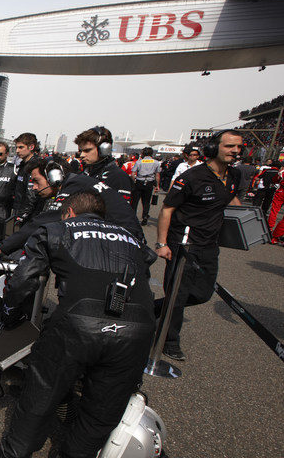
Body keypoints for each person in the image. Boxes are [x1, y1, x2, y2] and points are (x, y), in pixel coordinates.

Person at [0, 191, 156, 458]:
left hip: (78, 324)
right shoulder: (131, 238)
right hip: (137, 328)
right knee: (104, 406)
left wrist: (8, 311)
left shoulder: (57, 230)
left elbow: (24, 278)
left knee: (42, 391)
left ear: (70, 213)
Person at [154, 130, 243, 361]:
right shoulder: (192, 177)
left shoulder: (234, 176)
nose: (235, 151)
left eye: (238, 147)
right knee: (177, 293)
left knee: (203, 294)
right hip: (184, 244)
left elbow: (231, 200)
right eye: (229, 146)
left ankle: (153, 309)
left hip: (210, 245)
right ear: (214, 149)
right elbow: (167, 209)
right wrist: (162, 243)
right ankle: (168, 341)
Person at [0, 156, 144, 263]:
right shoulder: (78, 182)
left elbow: (39, 223)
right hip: (123, 242)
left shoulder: (71, 186)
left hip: (128, 246)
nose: (34, 187)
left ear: (54, 177)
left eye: (37, 181)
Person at [77, 126, 133, 204]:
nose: (82, 155)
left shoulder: (118, 177)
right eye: (81, 151)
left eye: (87, 150)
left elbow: (121, 212)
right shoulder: (84, 173)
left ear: (104, 150)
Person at [11, 132, 40, 223]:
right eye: (16, 147)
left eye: (21, 147)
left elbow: (32, 195)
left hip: (29, 216)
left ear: (31, 147)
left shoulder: (35, 165)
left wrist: (23, 215)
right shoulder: (23, 164)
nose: (17, 151)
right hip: (19, 210)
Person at [130, 146, 161, 225]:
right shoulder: (156, 162)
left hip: (139, 181)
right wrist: (157, 185)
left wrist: (133, 181)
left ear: (143, 153)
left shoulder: (139, 162)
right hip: (149, 183)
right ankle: (145, 216)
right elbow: (157, 175)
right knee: (146, 201)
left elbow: (133, 173)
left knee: (135, 201)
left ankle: (132, 217)